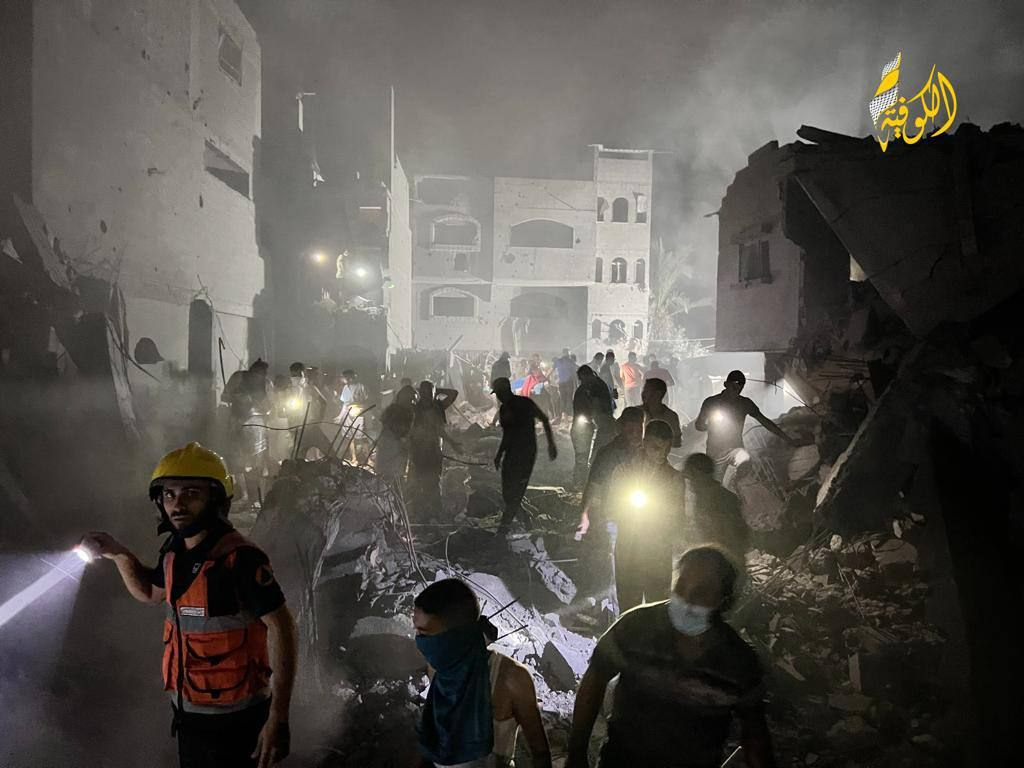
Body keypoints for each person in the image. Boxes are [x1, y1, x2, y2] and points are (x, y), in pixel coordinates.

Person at [80, 443, 298, 768]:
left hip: (237, 720)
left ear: (215, 499)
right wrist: (118, 553)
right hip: (188, 713)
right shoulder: (174, 552)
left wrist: (278, 716)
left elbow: (283, 628)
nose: (177, 504)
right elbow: (150, 592)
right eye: (169, 494)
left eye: (191, 493)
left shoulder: (239, 558)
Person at [566, 547, 777, 768]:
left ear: (724, 600)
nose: (687, 599)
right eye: (681, 586)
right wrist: (576, 754)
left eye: (701, 592)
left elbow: (755, 734)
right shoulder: (636, 626)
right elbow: (595, 678)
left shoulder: (738, 661)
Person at [413, 579, 552, 768]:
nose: (420, 642)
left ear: (455, 635)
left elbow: (541, 755)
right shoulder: (438, 668)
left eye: (425, 634)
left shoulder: (511, 678)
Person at [606, 420, 685, 612]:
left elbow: (678, 517)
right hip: (629, 549)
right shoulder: (623, 472)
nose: (662, 454)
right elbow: (611, 508)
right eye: (656, 448)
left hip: (657, 552)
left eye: (666, 449)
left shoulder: (674, 478)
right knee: (628, 605)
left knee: (657, 607)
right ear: (645, 442)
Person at [695, 370, 796, 481]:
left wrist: (788, 439)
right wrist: (711, 426)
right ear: (726, 384)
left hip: (735, 448)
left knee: (745, 462)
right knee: (714, 484)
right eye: (734, 388)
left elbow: (765, 422)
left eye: (739, 389)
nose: (736, 392)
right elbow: (698, 425)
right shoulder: (711, 402)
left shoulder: (744, 403)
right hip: (715, 453)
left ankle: (736, 483)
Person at [492, 377, 558, 535]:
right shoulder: (505, 409)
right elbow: (507, 435)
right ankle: (525, 519)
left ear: (504, 391)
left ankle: (503, 529)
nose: (498, 397)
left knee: (516, 492)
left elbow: (544, 419)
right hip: (512, 453)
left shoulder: (524, 403)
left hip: (526, 453)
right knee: (508, 493)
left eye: (498, 393)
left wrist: (551, 444)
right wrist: (499, 454)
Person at [575, 406, 646, 540]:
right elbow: (593, 485)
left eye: (639, 430)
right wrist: (584, 514)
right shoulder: (607, 454)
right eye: (631, 430)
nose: (635, 435)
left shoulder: (647, 453)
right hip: (613, 509)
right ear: (622, 429)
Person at [682, 453, 750, 565]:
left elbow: (734, 539)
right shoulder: (700, 501)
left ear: (698, 474)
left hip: (723, 565)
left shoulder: (723, 500)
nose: (690, 483)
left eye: (690, 477)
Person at [409, 381, 459, 518]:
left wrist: (437, 390)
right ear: (420, 394)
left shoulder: (438, 407)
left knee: (434, 480)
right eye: (423, 392)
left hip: (434, 450)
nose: (426, 396)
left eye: (429, 393)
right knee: (421, 480)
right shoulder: (415, 409)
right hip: (420, 450)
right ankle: (423, 511)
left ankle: (434, 510)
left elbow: (453, 393)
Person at [570, 365, 614, 489]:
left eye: (585, 379)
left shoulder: (599, 387)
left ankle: (587, 482)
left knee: (594, 456)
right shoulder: (583, 390)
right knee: (582, 456)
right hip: (586, 426)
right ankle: (580, 482)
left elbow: (604, 407)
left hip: (599, 426)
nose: (584, 382)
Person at [376, 384, 417, 484]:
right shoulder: (393, 410)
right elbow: (386, 426)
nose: (412, 402)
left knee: (396, 475)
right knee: (388, 474)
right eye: (410, 399)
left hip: (398, 446)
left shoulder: (410, 411)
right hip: (391, 445)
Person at [641, 378, 683, 449]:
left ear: (658, 394)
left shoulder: (671, 417)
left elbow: (677, 443)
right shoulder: (635, 412)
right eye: (643, 390)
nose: (643, 394)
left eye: (646, 391)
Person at [554, 348, 576, 420]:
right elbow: (574, 373)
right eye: (569, 353)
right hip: (569, 383)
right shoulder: (570, 361)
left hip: (561, 383)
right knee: (569, 399)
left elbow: (552, 371)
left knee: (562, 399)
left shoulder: (558, 361)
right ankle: (568, 415)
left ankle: (562, 415)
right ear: (567, 353)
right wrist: (576, 384)